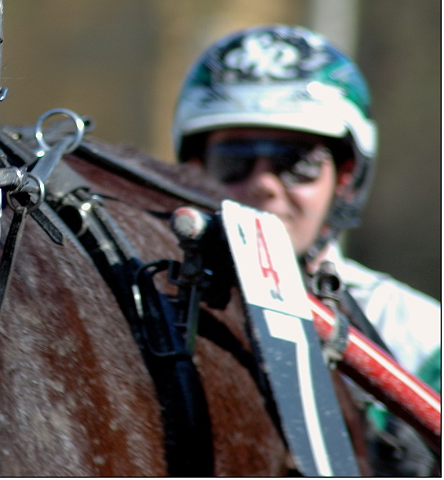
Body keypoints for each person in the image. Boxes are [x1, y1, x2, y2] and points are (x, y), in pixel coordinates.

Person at [171, 24, 440, 476]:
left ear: (346, 176)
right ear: (194, 168)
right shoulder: (144, 301)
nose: (262, 185)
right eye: (233, 161)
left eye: (296, 164)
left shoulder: (420, 337)